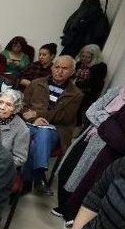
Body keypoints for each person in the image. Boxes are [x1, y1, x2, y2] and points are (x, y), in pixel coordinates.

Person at [53, 69, 125, 222]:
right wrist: (108, 122)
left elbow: (120, 135)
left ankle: (72, 212)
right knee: (68, 168)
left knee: (85, 178)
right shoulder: (117, 91)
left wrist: (106, 122)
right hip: (90, 134)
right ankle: (64, 205)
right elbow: (92, 110)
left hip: (105, 144)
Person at [21, 55, 83, 194]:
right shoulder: (36, 83)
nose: (59, 71)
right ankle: (38, 175)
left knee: (43, 133)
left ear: (72, 72)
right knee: (37, 140)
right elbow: (22, 106)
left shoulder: (76, 94)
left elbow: (65, 117)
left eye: (64, 68)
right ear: (52, 67)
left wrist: (37, 115)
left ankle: (25, 181)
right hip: (30, 125)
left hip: (57, 130)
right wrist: (33, 119)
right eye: (57, 67)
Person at [0, 89, 29, 168]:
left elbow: (20, 158)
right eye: (0, 102)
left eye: (8, 105)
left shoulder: (22, 129)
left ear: (16, 109)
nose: (2, 107)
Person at [74, 44, 107, 121]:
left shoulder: (100, 67)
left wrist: (76, 84)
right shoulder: (79, 63)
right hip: (75, 89)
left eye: (88, 57)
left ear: (94, 57)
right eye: (83, 56)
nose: (84, 59)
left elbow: (93, 82)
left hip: (88, 94)